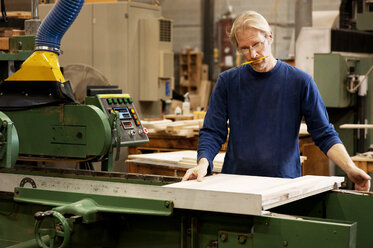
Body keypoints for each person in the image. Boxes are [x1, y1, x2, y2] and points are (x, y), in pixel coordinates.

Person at [182, 10, 371, 191]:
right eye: (244, 49)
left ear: (270, 36)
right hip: (235, 182)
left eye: (257, 44)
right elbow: (213, 131)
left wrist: (350, 168)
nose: (252, 55)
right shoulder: (228, 82)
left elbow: (324, 133)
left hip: (283, 185)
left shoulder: (300, 81)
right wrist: (203, 163)